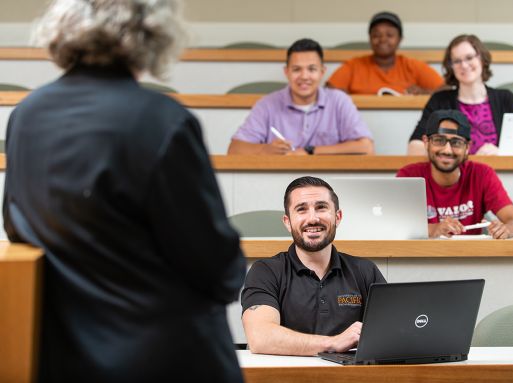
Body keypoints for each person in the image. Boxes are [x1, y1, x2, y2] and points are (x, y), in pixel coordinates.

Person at [2, 1, 245, 382]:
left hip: (62, 357)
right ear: (151, 34)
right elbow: (214, 266)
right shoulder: (163, 120)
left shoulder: (26, 115)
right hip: (162, 360)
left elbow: (17, 225)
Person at [241, 176, 386, 356]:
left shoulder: (365, 271)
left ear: (337, 217)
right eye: (301, 209)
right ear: (287, 222)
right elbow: (260, 337)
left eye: (321, 207)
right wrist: (333, 343)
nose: (313, 218)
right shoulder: (266, 271)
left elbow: (393, 331)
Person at [227, 38, 374, 155]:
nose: (304, 76)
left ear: (322, 72)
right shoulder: (267, 104)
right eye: (296, 69)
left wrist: (309, 151)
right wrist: (265, 150)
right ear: (287, 72)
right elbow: (234, 150)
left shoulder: (339, 101)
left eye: (312, 69)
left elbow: (366, 148)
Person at [397, 110, 513, 239]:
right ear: (426, 142)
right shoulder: (409, 176)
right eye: (439, 140)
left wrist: (506, 229)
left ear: (468, 147)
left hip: (471, 256)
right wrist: (434, 229)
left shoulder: (482, 174)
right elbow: (395, 226)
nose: (447, 150)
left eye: (456, 142)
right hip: (422, 257)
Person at [407, 34, 513, 156]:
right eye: (457, 61)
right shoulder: (440, 101)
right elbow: (414, 147)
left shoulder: (506, 99)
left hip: (500, 172)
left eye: (469, 58)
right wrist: (452, 154)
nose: (464, 65)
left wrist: (502, 152)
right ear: (451, 67)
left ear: (481, 58)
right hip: (454, 174)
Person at [327, 11, 444, 95]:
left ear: (400, 39)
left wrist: (425, 93)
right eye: (377, 35)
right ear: (370, 38)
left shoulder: (413, 66)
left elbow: (447, 91)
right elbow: (329, 91)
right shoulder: (353, 65)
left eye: (390, 35)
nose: (383, 40)